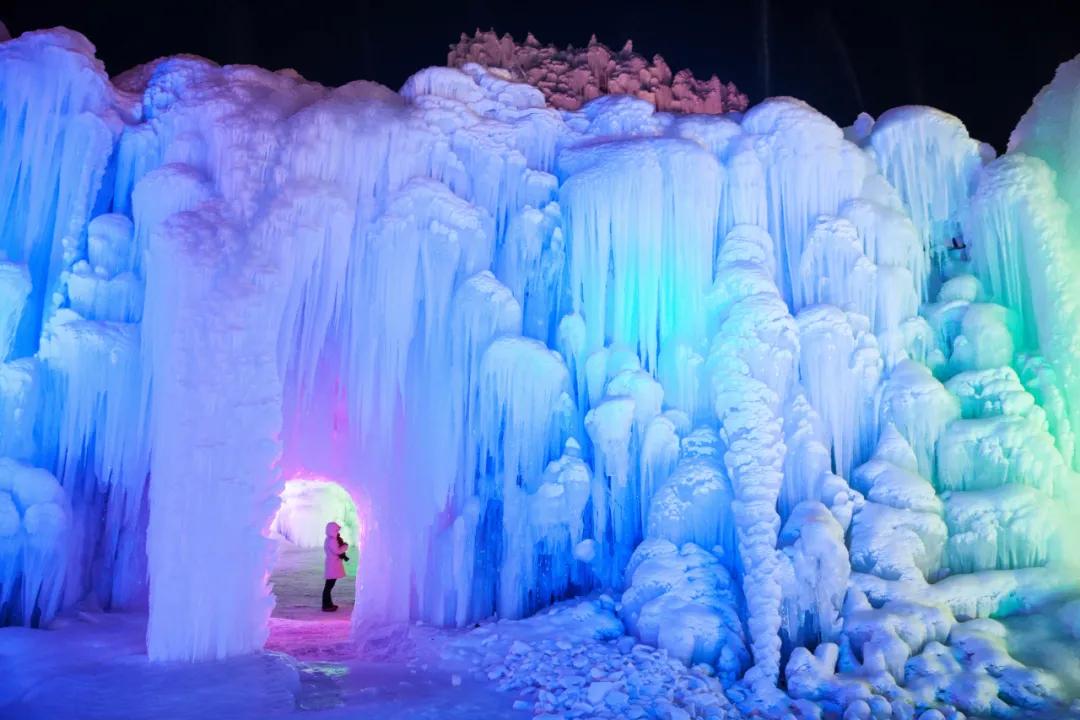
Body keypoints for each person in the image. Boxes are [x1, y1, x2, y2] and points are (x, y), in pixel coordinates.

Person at [322, 521, 349, 611]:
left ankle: (328, 604)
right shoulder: (332, 540)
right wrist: (345, 546)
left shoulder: (329, 539)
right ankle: (326, 605)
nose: (338, 532)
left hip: (332, 564)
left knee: (329, 586)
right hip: (332, 565)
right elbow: (337, 551)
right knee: (329, 586)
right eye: (336, 530)